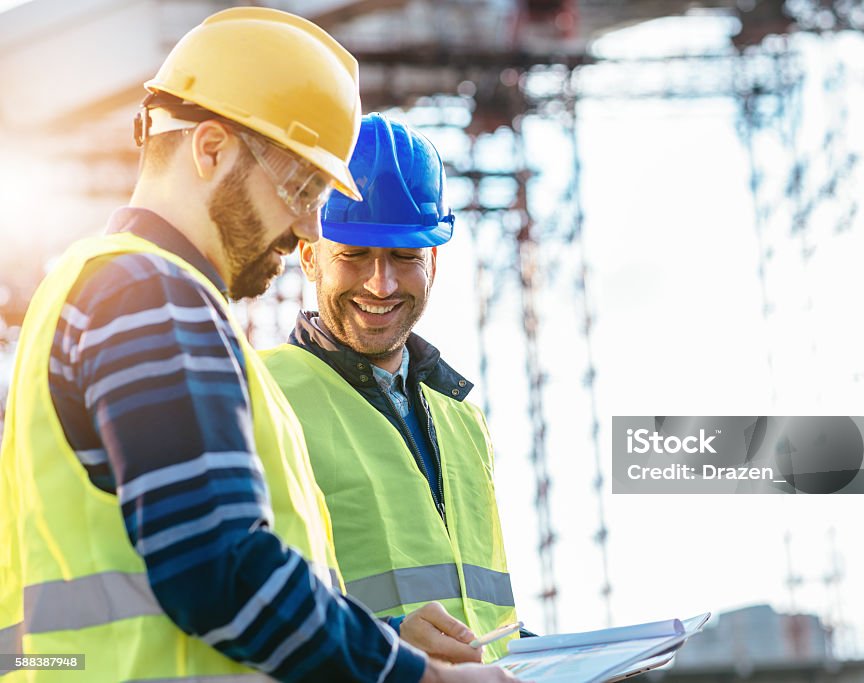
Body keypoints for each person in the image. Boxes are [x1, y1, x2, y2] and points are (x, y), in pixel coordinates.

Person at [0, 8, 513, 683]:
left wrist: (388, 640)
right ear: (209, 149)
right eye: (300, 185)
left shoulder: (99, 288)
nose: (307, 221)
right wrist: (422, 678)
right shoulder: (150, 293)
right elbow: (220, 571)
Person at [262, 114, 522, 665]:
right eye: (353, 255)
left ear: (432, 260)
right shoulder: (260, 393)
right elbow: (236, 597)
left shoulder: (461, 420)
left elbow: (485, 617)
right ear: (309, 255)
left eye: (404, 257)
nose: (380, 283)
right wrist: (391, 643)